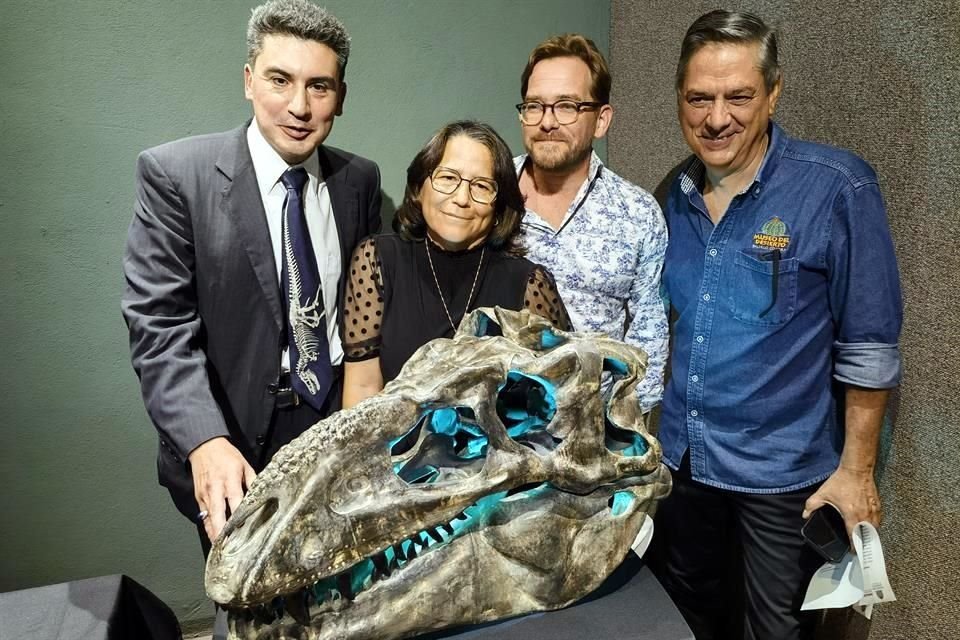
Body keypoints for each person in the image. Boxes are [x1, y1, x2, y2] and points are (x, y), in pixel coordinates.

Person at [650, 10, 903, 640]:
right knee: (686, 623)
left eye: (738, 96)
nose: (716, 118)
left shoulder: (837, 187)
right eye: (698, 98)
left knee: (776, 632)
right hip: (685, 466)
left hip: (782, 478)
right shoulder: (670, 195)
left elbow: (869, 344)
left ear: (773, 92)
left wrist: (857, 471)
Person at [122, 0, 381, 551]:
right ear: (248, 80)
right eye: (279, 79)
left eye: (319, 86)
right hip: (232, 436)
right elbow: (159, 329)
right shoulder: (176, 176)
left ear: (341, 96)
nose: (299, 106)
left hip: (335, 422)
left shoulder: (358, 180)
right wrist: (204, 442)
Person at [341, 120, 571, 407]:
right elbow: (362, 388)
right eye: (448, 178)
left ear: (499, 206)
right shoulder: (376, 261)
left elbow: (563, 397)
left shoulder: (528, 284)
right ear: (419, 187)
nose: (462, 199)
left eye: (481, 186)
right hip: (397, 449)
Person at [514, 34, 668, 413]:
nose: (547, 122)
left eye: (566, 106)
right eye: (535, 106)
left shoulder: (637, 213)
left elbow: (649, 337)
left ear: (601, 120)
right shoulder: (486, 196)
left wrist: (619, 431)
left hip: (595, 442)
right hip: (492, 439)